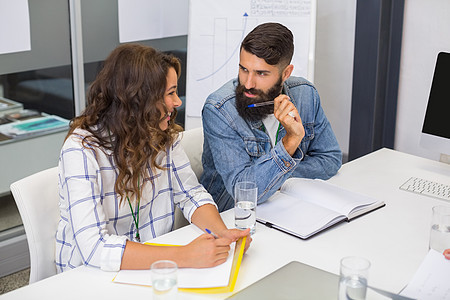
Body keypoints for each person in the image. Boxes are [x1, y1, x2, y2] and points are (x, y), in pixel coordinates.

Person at [55, 44, 251, 273]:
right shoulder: (80, 150)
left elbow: (191, 194)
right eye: (170, 93)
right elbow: (94, 248)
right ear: (138, 99)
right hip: (91, 276)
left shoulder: (162, 135)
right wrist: (185, 255)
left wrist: (222, 233)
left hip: (151, 265)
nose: (178, 102)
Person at [201, 23, 342, 212]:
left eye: (261, 73)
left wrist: (274, 177)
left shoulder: (306, 94)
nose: (248, 83)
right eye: (243, 69)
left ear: (286, 74)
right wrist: (290, 142)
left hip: (286, 205)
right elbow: (243, 192)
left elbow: (330, 158)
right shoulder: (219, 109)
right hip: (232, 214)